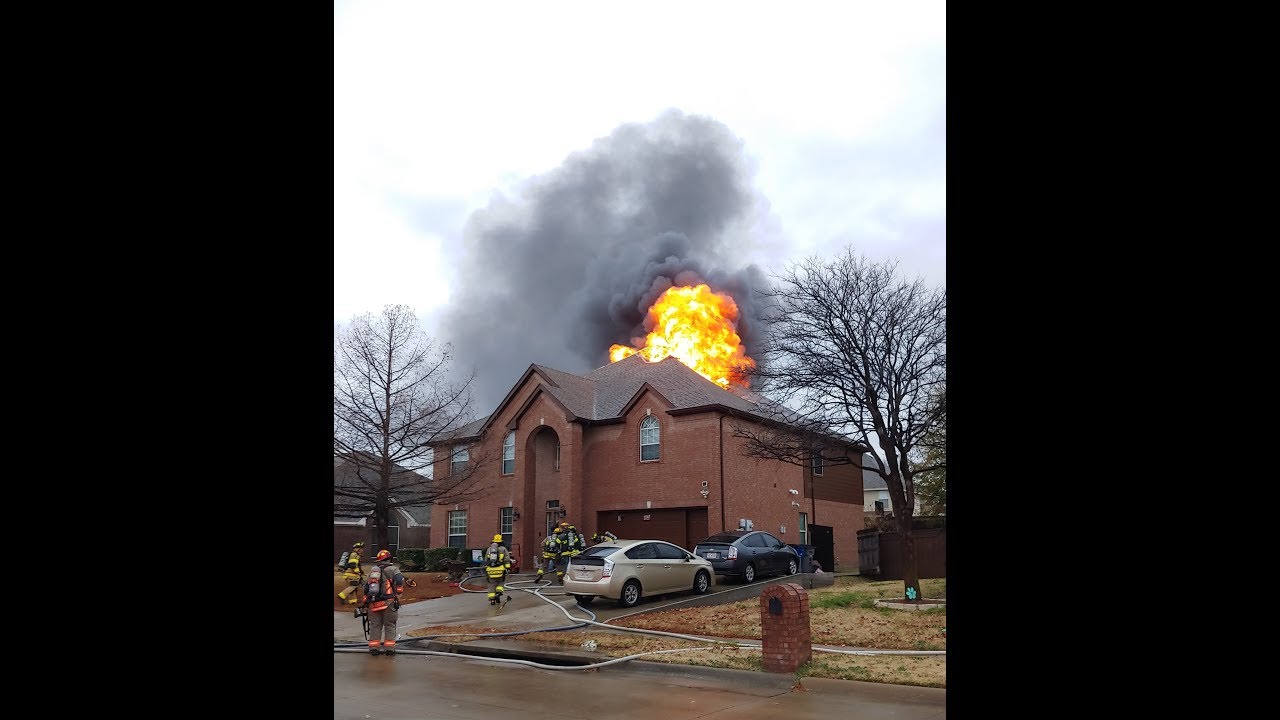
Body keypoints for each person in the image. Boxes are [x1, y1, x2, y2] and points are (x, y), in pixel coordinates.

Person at [363, 549, 408, 655]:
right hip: (388, 602)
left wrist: (366, 603)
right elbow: (399, 580)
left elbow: (366, 588)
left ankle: (374, 648)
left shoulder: (374, 572)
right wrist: (399, 593)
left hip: (373, 604)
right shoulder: (393, 569)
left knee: (375, 626)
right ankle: (389, 649)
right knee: (390, 625)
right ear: (389, 559)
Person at [482, 534, 512, 604]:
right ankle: (498, 594)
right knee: (500, 582)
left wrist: (486, 568)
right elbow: (507, 560)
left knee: (491, 584)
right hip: (500, 570)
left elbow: (486, 559)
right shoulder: (503, 549)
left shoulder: (489, 549)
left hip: (490, 571)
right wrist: (507, 568)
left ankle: (492, 599)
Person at [337, 541, 365, 606]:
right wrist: (357, 571)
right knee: (353, 586)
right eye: (361, 548)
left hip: (351, 575)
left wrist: (361, 573)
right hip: (352, 575)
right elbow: (352, 564)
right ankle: (341, 596)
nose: (362, 550)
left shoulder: (355, 555)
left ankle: (352, 602)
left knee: (353, 588)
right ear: (357, 549)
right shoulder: (354, 555)